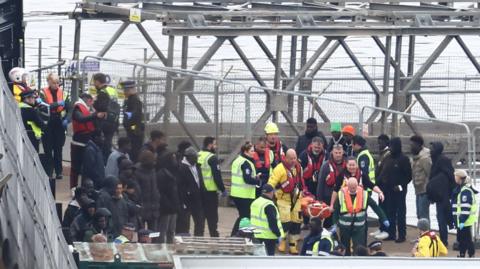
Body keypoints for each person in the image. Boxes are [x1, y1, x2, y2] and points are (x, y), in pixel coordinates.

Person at [330, 157, 388, 240]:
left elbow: (371, 185)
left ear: (357, 165)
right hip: (345, 205)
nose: (351, 167)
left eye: (353, 165)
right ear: (346, 165)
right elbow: (335, 190)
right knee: (345, 237)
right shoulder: (342, 175)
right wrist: (332, 205)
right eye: (350, 165)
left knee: (362, 229)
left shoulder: (362, 174)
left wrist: (379, 192)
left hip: (360, 203)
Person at [332, 178, 386, 256]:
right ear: (347, 186)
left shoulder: (364, 194)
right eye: (351, 187)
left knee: (358, 247)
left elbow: (375, 207)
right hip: (344, 227)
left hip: (359, 227)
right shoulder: (341, 194)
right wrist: (334, 223)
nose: (353, 189)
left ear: (357, 185)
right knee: (344, 247)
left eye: (354, 187)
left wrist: (383, 218)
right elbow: (336, 210)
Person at [268, 149, 305, 254]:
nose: (293, 160)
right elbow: (271, 184)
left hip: (296, 198)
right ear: (286, 158)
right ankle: (282, 242)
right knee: (285, 223)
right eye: (291, 158)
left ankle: (293, 245)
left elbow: (301, 181)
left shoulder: (298, 167)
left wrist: (304, 192)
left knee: (296, 223)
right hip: (283, 199)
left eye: (295, 158)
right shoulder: (279, 169)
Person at [378, 137, 412, 243]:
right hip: (388, 190)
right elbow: (384, 172)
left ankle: (402, 235)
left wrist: (400, 186)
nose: (391, 148)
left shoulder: (404, 159)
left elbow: (408, 176)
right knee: (390, 212)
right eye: (390, 146)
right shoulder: (388, 158)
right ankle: (391, 233)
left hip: (400, 191)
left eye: (393, 146)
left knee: (400, 213)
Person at [70, 93, 105, 190]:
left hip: (88, 142)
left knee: (87, 167)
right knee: (75, 167)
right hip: (78, 142)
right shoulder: (77, 109)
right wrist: (95, 115)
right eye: (91, 101)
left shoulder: (90, 110)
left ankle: (85, 187)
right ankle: (73, 187)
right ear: (87, 100)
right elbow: (81, 119)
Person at [197, 137, 226, 237]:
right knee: (212, 218)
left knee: (200, 217)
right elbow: (217, 176)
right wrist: (222, 189)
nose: (216, 146)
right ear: (209, 145)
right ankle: (214, 238)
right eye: (215, 144)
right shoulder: (212, 158)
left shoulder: (198, 155)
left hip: (198, 191)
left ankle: (198, 238)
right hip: (210, 192)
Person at [428, 141, 455, 246]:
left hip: (443, 195)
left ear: (437, 149)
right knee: (441, 217)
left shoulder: (443, 160)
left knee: (441, 217)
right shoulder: (436, 160)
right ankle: (444, 239)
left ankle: (444, 240)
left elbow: (449, 177)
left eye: (432, 148)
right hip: (438, 194)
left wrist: (449, 193)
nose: (430, 150)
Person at [230, 142, 260, 236]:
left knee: (243, 216)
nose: (253, 153)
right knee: (245, 217)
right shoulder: (246, 163)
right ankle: (239, 235)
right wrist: (257, 181)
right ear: (245, 151)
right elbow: (247, 179)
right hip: (244, 195)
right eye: (251, 151)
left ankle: (238, 235)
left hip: (237, 193)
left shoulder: (238, 160)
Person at [41, 73, 67, 180]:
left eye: (57, 83)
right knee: (48, 149)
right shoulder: (43, 93)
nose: (56, 85)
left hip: (59, 123)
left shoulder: (63, 93)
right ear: (49, 83)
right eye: (54, 83)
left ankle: (59, 171)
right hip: (47, 123)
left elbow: (69, 106)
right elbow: (43, 106)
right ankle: (49, 172)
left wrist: (66, 119)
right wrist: (57, 104)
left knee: (58, 148)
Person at [178, 147, 206, 236]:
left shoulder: (197, 166)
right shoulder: (181, 168)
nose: (197, 158)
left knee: (200, 222)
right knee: (185, 224)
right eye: (195, 157)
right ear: (188, 157)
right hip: (187, 200)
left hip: (198, 199)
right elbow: (180, 185)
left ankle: (198, 240)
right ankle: (185, 240)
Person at [250, 184, 284, 256]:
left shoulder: (255, 202)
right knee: (269, 259)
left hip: (255, 235)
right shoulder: (269, 205)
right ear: (271, 192)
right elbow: (272, 222)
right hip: (268, 237)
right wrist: (278, 234)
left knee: (257, 258)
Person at [92, 73, 120, 161]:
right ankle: (108, 161)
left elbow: (102, 107)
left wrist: (94, 102)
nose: (94, 84)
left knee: (102, 143)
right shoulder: (112, 90)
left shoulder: (102, 92)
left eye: (94, 82)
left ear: (97, 81)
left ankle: (104, 162)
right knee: (109, 141)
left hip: (105, 121)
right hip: (114, 120)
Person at [299, 136, 326, 227]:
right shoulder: (304, 155)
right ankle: (305, 222)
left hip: (320, 183)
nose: (317, 149)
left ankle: (317, 223)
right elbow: (299, 170)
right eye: (315, 147)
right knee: (306, 203)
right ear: (311, 145)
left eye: (319, 147)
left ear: (322, 146)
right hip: (307, 182)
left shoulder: (326, 155)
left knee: (319, 203)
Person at [317, 144, 346, 228]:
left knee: (342, 220)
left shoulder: (348, 165)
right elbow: (320, 183)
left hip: (343, 197)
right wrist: (319, 199)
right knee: (328, 222)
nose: (338, 154)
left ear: (343, 153)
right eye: (336, 152)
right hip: (328, 197)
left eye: (339, 152)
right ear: (332, 152)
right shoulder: (325, 166)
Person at [451, 169, 477, 258]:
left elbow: (465, 208)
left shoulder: (465, 191)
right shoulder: (462, 189)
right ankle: (463, 254)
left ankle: (470, 254)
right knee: (462, 239)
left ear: (459, 178)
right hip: (462, 220)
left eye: (455, 176)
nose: (454, 178)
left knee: (466, 239)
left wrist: (462, 220)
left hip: (464, 220)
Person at [157, 152, 180, 243]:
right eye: (173, 158)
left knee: (171, 230)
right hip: (166, 208)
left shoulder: (174, 172)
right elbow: (161, 192)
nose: (175, 160)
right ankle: (161, 248)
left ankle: (170, 248)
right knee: (163, 230)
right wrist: (168, 204)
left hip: (173, 207)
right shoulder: (161, 174)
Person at [134, 150, 160, 233]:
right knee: (141, 234)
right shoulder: (137, 171)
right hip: (142, 209)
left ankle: (154, 246)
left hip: (153, 209)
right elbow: (137, 191)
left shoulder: (153, 171)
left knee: (154, 234)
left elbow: (155, 187)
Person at [371, 134, 390, 238]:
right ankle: (381, 227)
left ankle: (386, 229)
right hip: (380, 186)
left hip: (384, 186)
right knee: (380, 206)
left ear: (386, 142)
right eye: (378, 142)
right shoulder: (382, 153)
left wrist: (376, 182)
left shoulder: (387, 154)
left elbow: (384, 171)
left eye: (381, 142)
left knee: (385, 208)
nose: (379, 144)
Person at [121, 80, 144, 162]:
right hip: (132, 129)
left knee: (134, 151)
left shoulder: (134, 100)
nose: (124, 92)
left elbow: (134, 115)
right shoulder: (130, 100)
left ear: (131, 90)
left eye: (126, 90)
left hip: (134, 130)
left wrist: (128, 122)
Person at [410, 135, 432, 221]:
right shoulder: (414, 158)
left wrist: (429, 189)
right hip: (417, 190)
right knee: (419, 214)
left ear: (419, 145)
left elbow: (430, 174)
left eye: (412, 145)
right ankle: (423, 233)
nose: (410, 147)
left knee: (423, 215)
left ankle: (427, 234)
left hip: (425, 190)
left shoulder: (425, 158)